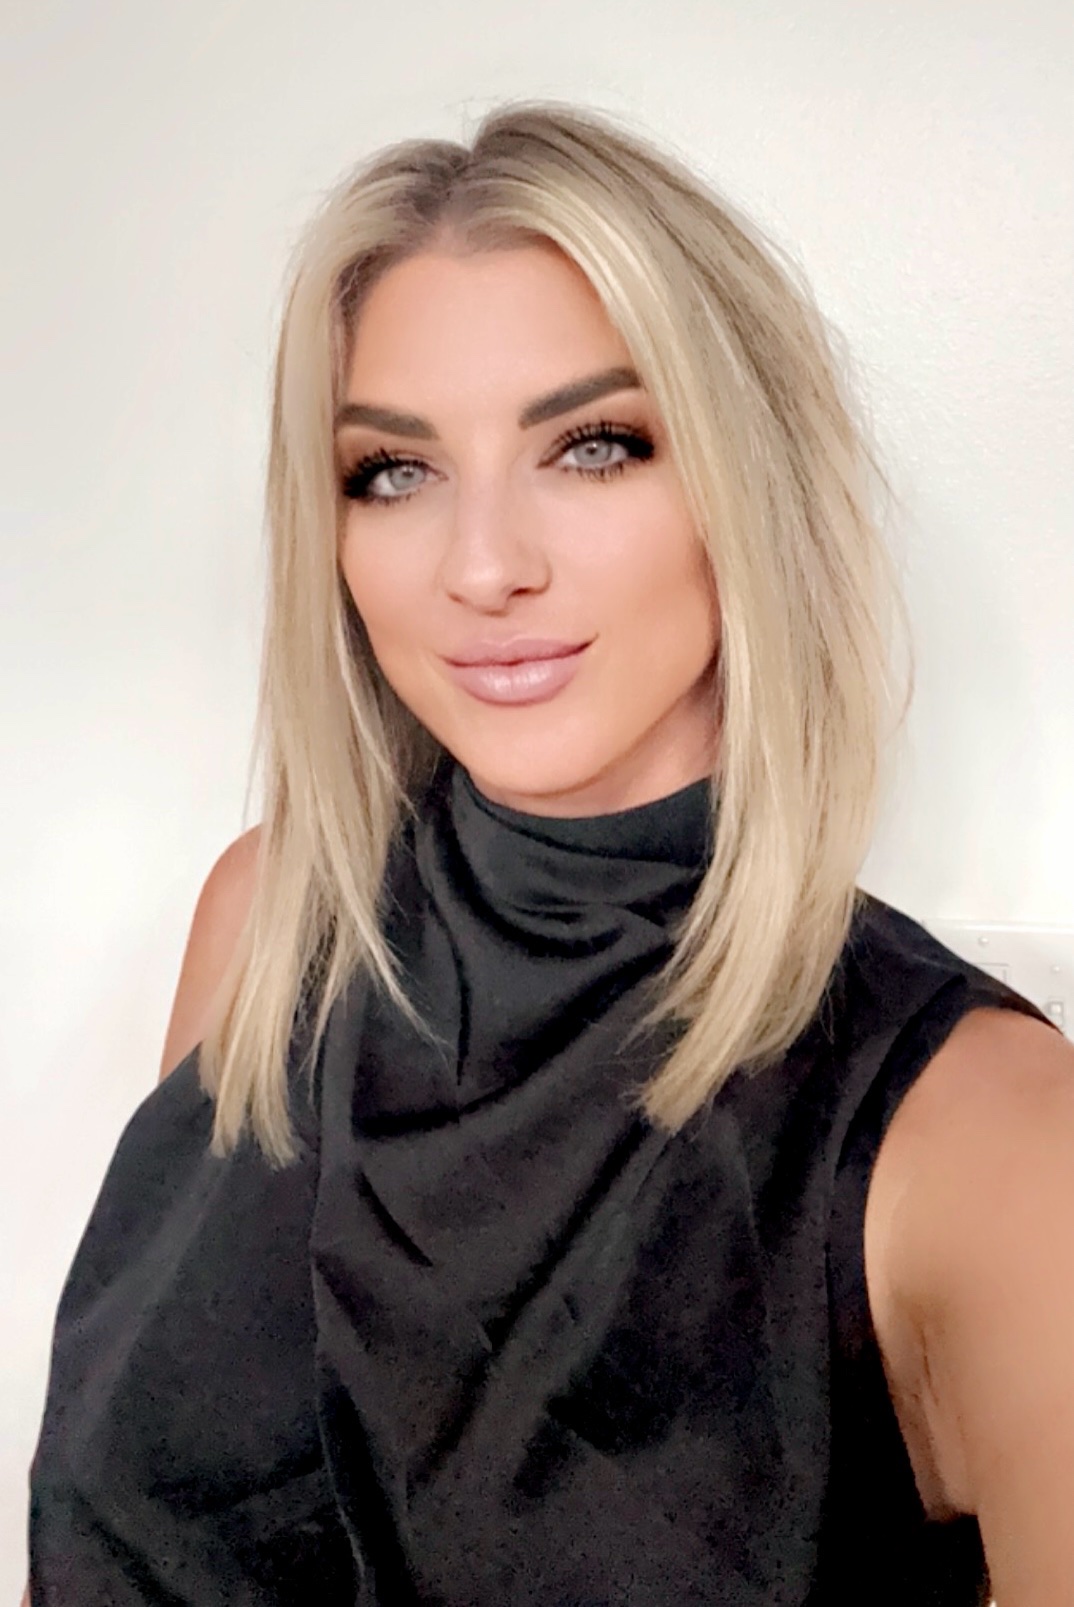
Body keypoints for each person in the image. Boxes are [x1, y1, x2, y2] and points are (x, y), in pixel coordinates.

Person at [24, 99, 1073, 1605]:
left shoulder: (990, 1143)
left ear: (746, 483)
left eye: (594, 447)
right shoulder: (274, 924)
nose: (481, 566)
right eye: (394, 471)